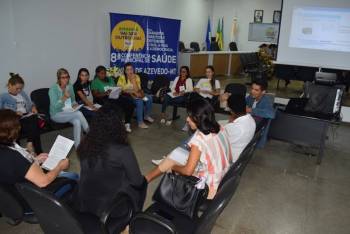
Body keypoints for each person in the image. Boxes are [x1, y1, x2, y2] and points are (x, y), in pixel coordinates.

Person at [146, 98, 232, 199]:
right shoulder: (219, 127)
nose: (187, 119)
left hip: (209, 187)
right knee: (177, 154)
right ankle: (146, 179)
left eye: (190, 117)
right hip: (224, 175)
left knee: (173, 164)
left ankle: (150, 184)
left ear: (199, 118)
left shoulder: (199, 139)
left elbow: (188, 171)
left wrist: (172, 168)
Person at [73, 106, 147, 217]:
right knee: (142, 183)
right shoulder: (122, 150)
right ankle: (131, 220)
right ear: (118, 125)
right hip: (109, 210)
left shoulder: (85, 144)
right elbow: (137, 182)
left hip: (84, 202)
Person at [0, 109, 75, 196]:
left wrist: (35, 160)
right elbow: (43, 182)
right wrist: (60, 167)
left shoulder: (6, 148)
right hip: (36, 196)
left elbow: (19, 168)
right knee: (73, 177)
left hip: (15, 195)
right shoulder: (13, 156)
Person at [0, 73, 43, 154]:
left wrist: (33, 107)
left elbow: (30, 104)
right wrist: (14, 113)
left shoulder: (22, 94)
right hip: (15, 120)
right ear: (10, 85)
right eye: (17, 88)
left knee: (34, 118)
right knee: (34, 125)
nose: (19, 90)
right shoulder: (3, 97)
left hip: (26, 117)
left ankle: (30, 144)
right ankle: (36, 150)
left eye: (21, 88)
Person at [49, 68, 89, 148]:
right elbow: (55, 107)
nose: (66, 79)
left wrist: (75, 105)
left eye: (67, 77)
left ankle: (78, 146)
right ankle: (90, 135)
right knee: (78, 113)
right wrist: (64, 98)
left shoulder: (69, 86)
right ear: (59, 78)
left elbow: (73, 100)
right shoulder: (53, 89)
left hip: (68, 111)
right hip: (56, 114)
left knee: (77, 122)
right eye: (63, 77)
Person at [91, 65, 135, 132]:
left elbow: (115, 87)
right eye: (102, 73)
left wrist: (118, 90)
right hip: (103, 98)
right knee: (116, 106)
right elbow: (96, 95)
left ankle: (127, 123)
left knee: (129, 102)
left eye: (105, 73)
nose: (104, 75)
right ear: (97, 74)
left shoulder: (110, 79)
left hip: (114, 96)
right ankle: (116, 126)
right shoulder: (95, 82)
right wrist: (106, 93)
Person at [118, 63, 153, 129]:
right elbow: (121, 90)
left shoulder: (136, 77)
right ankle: (140, 122)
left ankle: (146, 115)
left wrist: (133, 80)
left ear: (133, 69)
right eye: (127, 70)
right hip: (127, 96)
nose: (130, 71)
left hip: (137, 93)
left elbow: (138, 89)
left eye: (131, 69)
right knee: (139, 101)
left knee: (149, 98)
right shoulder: (122, 77)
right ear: (125, 71)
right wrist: (132, 92)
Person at [224, 95, 256, 162]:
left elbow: (220, 142)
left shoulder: (234, 127)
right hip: (240, 152)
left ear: (232, 111)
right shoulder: (252, 120)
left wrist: (229, 122)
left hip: (230, 157)